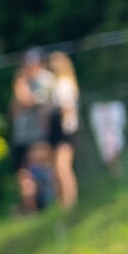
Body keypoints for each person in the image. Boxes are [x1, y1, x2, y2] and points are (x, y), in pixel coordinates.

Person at [9, 49, 59, 213]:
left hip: (38, 135)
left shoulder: (45, 80)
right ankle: (30, 209)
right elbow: (14, 111)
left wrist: (19, 84)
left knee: (43, 173)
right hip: (21, 135)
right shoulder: (22, 81)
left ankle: (50, 205)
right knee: (24, 175)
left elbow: (27, 100)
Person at [47, 52, 82, 208]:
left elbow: (67, 108)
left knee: (63, 167)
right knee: (57, 168)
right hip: (57, 129)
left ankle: (69, 202)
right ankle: (63, 202)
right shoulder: (56, 84)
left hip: (64, 130)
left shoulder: (64, 84)